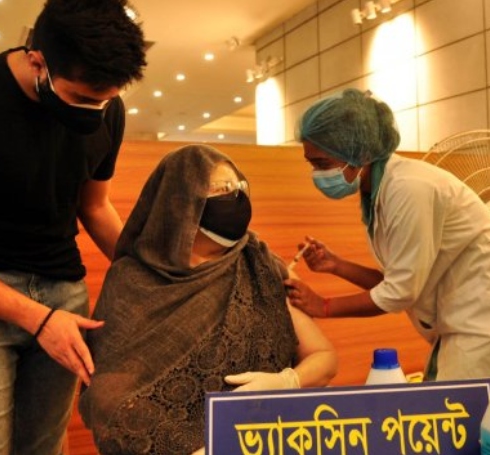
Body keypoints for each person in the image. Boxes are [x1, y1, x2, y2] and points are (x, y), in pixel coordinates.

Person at [0, 0, 146, 452]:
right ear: (37, 61)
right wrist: (38, 319)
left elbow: (96, 207)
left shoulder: (108, 109)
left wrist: (152, 271)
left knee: (43, 447)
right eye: (81, 98)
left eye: (106, 99)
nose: (95, 110)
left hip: (64, 296)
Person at [78, 144, 337, 454]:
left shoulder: (260, 266)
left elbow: (324, 358)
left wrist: (287, 381)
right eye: (222, 189)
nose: (237, 197)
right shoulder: (132, 280)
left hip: (265, 440)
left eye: (240, 187)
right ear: (180, 203)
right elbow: (107, 396)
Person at [285, 88, 490, 381]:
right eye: (312, 164)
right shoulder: (378, 192)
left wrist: (324, 306)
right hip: (461, 323)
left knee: (466, 408)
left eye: (323, 164)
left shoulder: (409, 188)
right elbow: (398, 280)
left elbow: (400, 292)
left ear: (360, 154)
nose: (317, 175)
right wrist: (337, 265)